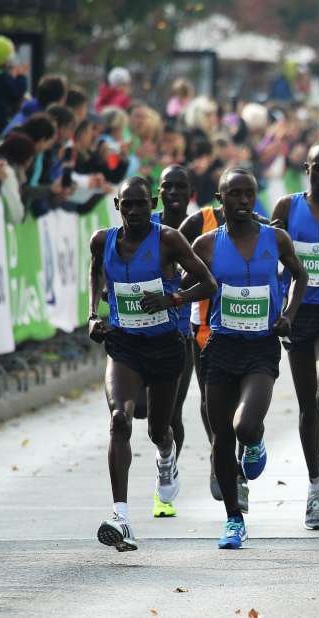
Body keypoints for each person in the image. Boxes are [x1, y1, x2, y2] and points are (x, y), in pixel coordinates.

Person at [87, 177, 218, 551]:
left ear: (153, 203)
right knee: (119, 420)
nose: (133, 212)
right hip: (124, 345)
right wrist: (93, 314)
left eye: (140, 204)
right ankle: (121, 516)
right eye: (126, 205)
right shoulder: (103, 240)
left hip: (165, 346)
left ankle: (166, 456)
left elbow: (208, 283)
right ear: (117, 206)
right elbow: (96, 271)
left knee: (158, 429)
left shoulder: (169, 240)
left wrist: (173, 299)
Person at [191, 169, 308, 549]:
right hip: (221, 345)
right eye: (234, 194)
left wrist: (288, 315)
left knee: (243, 426)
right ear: (220, 200)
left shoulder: (276, 238)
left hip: (261, 346)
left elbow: (299, 276)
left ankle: (255, 443)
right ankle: (233, 519)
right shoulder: (206, 244)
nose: (243, 201)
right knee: (221, 437)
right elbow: (188, 282)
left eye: (248, 194)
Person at [270, 143, 319, 530]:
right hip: (298, 315)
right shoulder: (286, 207)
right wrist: (278, 312)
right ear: (306, 168)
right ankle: (313, 485)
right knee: (306, 407)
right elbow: (271, 259)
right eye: (317, 167)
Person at [146, 165, 198, 518]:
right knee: (140, 411)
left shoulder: (198, 228)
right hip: (142, 331)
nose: (175, 192)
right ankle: (165, 456)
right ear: (159, 192)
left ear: (190, 191)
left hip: (183, 331)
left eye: (181, 186)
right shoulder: (143, 228)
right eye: (168, 186)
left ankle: (163, 490)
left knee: (172, 412)